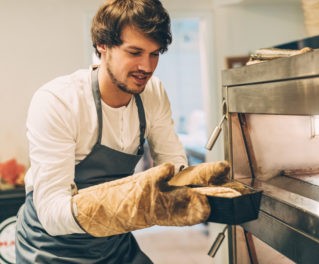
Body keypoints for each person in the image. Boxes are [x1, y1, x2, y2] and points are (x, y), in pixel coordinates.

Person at [15, 0, 230, 263]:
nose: (147, 67)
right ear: (102, 46)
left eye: (155, 53)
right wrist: (138, 208)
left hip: (113, 241)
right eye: (135, 52)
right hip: (51, 246)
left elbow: (174, 164)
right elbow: (52, 214)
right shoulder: (58, 101)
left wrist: (191, 186)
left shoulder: (153, 92)